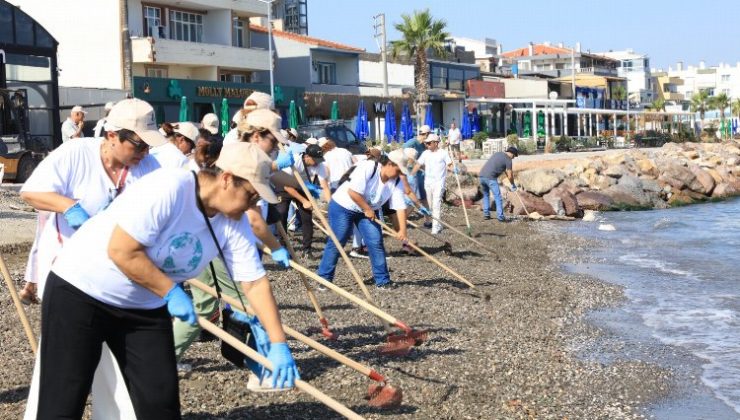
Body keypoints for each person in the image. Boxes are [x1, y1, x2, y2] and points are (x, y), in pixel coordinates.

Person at [35, 142, 299, 418]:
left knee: (159, 402)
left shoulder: (234, 222)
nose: (252, 205)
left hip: (143, 307)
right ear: (226, 178)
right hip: (82, 290)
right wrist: (171, 292)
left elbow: (254, 283)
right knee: (64, 398)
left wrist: (278, 342)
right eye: (250, 195)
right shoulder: (170, 187)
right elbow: (122, 250)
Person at [21, 98, 165, 419]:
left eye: (148, 146)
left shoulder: (148, 166)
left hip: (120, 278)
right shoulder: (76, 153)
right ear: (112, 135)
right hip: (68, 276)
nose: (144, 153)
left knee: (116, 366)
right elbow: (31, 192)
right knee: (62, 366)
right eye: (138, 145)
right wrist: (69, 206)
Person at [317, 149, 408, 289]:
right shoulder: (369, 167)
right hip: (344, 206)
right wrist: (367, 209)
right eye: (398, 170)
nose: (399, 174)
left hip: (367, 210)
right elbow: (353, 192)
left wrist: (402, 230)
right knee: (338, 241)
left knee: (375, 242)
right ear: (389, 164)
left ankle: (382, 281)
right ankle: (324, 279)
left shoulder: (396, 182)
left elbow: (400, 207)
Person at [275, 144, 330, 259]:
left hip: (303, 186)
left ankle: (307, 250)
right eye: (315, 160)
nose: (317, 163)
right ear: (307, 157)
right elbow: (286, 186)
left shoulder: (319, 164)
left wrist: (331, 204)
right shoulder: (294, 160)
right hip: (284, 185)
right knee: (282, 214)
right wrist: (303, 200)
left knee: (306, 217)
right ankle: (283, 248)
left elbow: (324, 186)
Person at [410, 134, 453, 235]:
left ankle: (435, 228)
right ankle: (438, 224)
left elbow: (449, 164)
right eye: (426, 143)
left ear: (436, 143)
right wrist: (411, 175)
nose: (427, 145)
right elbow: (418, 164)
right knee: (430, 206)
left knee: (436, 204)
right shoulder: (425, 153)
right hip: (428, 183)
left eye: (429, 143)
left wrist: (453, 168)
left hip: (439, 183)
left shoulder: (443, 153)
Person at [479, 146, 519, 221]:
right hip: (490, 178)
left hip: (481, 176)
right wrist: (513, 184)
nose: (513, 158)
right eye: (514, 156)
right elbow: (510, 175)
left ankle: (486, 214)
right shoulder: (508, 159)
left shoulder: (498, 154)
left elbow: (505, 171)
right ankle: (500, 217)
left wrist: (510, 180)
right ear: (511, 153)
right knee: (498, 196)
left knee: (486, 195)